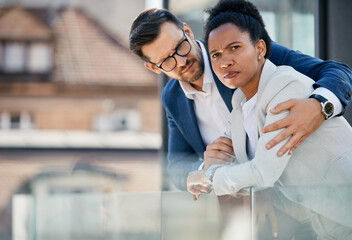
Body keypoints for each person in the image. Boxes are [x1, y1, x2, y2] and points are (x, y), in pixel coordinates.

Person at [129, 7, 352, 193]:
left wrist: (320, 105)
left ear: (186, 30)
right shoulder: (172, 96)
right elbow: (177, 167)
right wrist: (204, 168)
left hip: (320, 186)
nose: (180, 61)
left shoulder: (242, 51)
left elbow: (336, 71)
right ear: (152, 67)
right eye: (166, 60)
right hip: (249, 204)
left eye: (180, 47)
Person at [187, 0, 352, 238]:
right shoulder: (240, 105)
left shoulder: (284, 86)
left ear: (260, 49)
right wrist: (206, 167)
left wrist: (209, 178)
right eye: (216, 54)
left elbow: (263, 172)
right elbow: (230, 158)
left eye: (235, 47)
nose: (225, 61)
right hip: (326, 225)